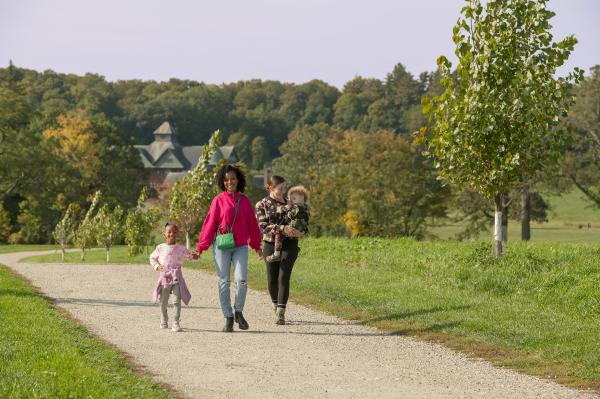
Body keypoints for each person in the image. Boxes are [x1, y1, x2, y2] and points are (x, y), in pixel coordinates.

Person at [196, 164, 262, 332]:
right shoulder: (218, 200)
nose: (229, 182)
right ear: (222, 182)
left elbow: (252, 226)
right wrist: (201, 247)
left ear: (238, 180)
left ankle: (238, 311)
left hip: (240, 246)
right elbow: (209, 224)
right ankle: (228, 317)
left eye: (232, 178)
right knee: (223, 281)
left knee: (242, 280)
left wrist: (256, 245)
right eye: (226, 180)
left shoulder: (245, 201)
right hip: (222, 246)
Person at [255, 176, 305, 325]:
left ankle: (281, 313)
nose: (284, 191)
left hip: (290, 244)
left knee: (283, 277)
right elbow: (263, 226)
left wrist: (301, 232)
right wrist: (282, 228)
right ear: (271, 187)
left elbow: (303, 221)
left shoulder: (291, 204)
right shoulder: (261, 204)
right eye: (280, 188)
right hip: (270, 244)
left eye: (285, 187)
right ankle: (276, 305)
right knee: (272, 279)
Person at [150, 223, 198, 332]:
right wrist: (157, 266)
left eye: (175, 232)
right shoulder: (160, 248)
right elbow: (152, 258)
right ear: (164, 234)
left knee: (176, 301)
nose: (172, 234)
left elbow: (191, 256)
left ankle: (176, 322)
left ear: (178, 234)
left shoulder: (181, 248)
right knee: (163, 301)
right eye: (169, 232)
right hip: (165, 277)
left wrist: (195, 256)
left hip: (177, 277)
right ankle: (164, 318)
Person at [266, 185, 310, 262]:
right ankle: (294, 248)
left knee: (278, 234)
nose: (291, 201)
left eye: (294, 199)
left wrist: (286, 208)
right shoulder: (306, 208)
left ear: (302, 197)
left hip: (293, 227)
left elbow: (289, 215)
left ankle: (276, 253)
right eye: (290, 199)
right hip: (299, 228)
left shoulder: (297, 208)